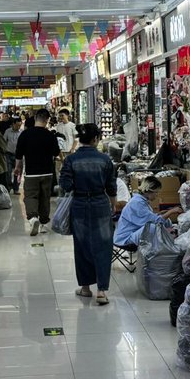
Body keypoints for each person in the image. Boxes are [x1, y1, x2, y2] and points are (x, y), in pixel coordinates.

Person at [60, 123, 117, 304]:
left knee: (82, 245)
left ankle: (85, 288)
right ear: (95, 139)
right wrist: (113, 205)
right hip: (100, 204)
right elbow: (111, 187)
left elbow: (65, 185)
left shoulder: (71, 160)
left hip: (79, 204)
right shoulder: (105, 160)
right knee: (103, 246)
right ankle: (101, 291)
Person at [14, 109, 61, 235]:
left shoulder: (25, 134)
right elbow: (56, 152)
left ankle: (33, 217)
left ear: (35, 118)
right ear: (47, 120)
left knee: (30, 196)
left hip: (31, 173)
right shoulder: (50, 135)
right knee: (45, 198)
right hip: (47, 172)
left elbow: (19, 154)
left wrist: (17, 168)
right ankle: (44, 224)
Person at [114, 174, 174, 248]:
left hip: (132, 233)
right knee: (153, 227)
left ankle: (170, 240)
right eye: (156, 192)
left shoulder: (141, 201)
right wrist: (171, 212)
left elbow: (147, 218)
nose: (157, 195)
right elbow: (154, 221)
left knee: (166, 220)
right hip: (125, 239)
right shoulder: (137, 202)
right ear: (149, 191)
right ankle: (164, 248)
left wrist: (159, 214)